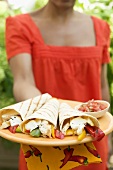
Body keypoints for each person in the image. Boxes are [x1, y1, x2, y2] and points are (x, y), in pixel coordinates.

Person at [5, 0, 112, 170]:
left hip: (92, 141)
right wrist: (58, 113)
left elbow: (103, 88)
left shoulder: (101, 28)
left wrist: (109, 138)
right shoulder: (20, 25)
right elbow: (23, 82)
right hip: (43, 143)